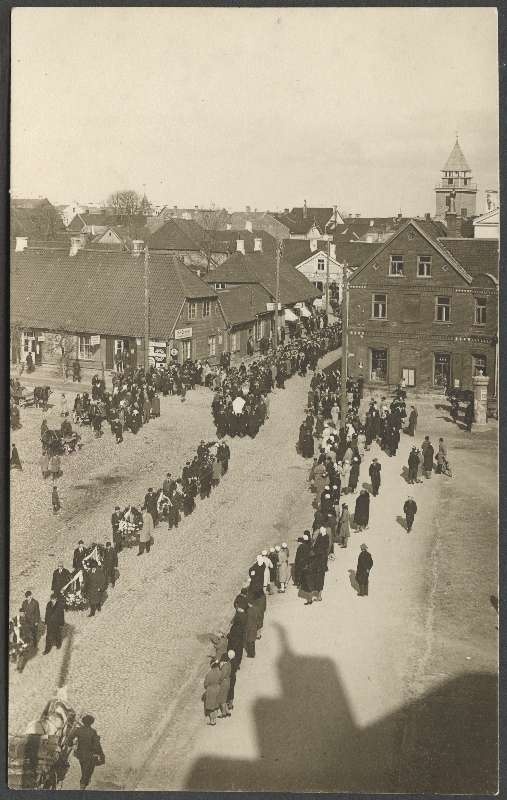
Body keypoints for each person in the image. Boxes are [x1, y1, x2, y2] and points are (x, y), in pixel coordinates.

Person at [73, 714, 105, 790]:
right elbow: (97, 745)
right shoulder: (93, 732)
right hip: (90, 756)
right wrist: (102, 756)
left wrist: (72, 744)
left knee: (84, 772)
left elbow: (70, 739)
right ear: (91, 722)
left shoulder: (78, 730)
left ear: (83, 721)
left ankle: (83, 786)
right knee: (87, 774)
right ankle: (82, 789)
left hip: (80, 755)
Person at [203, 661, 222, 725]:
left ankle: (212, 721)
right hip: (218, 689)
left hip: (211, 690)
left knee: (211, 706)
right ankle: (215, 719)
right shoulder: (220, 672)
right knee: (216, 705)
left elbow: (205, 684)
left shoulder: (209, 674)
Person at [217, 653, 232, 718]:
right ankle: (227, 711)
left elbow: (222, 676)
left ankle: (223, 713)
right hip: (228, 681)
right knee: (225, 697)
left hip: (224, 683)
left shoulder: (225, 666)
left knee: (222, 698)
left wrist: (219, 681)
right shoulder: (229, 664)